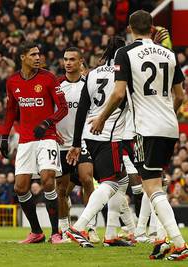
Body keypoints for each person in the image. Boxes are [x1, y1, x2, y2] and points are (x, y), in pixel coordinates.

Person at [89, 10, 187, 260]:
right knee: (155, 182)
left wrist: (100, 117)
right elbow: (180, 96)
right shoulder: (168, 53)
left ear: (130, 29)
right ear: (152, 27)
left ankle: (178, 243)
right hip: (169, 126)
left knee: (151, 186)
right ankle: (165, 240)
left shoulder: (125, 53)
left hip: (145, 127)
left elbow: (119, 93)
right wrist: (169, 114)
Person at [66, 37, 135, 247]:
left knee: (121, 180)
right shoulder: (123, 73)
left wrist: (76, 143)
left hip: (89, 135)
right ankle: (80, 228)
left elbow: (81, 111)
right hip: (109, 136)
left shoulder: (92, 74)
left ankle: (112, 234)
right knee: (112, 183)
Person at [0, 41, 68, 244]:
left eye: (39, 54)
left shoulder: (48, 78)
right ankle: (37, 232)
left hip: (47, 138)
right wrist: (4, 137)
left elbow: (63, 108)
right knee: (20, 188)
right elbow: (11, 110)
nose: (38, 57)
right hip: (25, 140)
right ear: (22, 57)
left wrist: (48, 122)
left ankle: (56, 233)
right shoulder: (12, 81)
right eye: (33, 54)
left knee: (48, 180)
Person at [56, 47, 98, 243]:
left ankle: (90, 227)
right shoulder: (56, 86)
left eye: (72, 59)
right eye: (65, 59)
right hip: (62, 144)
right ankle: (64, 229)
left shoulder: (88, 85)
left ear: (81, 61)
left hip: (82, 142)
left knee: (87, 179)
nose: (68, 63)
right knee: (62, 190)